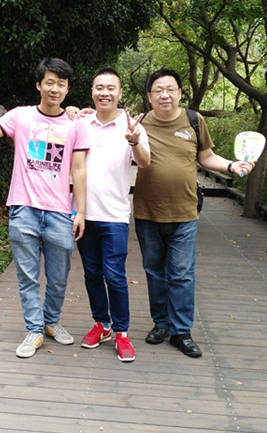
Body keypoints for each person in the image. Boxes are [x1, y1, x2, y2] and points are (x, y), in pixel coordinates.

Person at [0, 58, 89, 359]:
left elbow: (79, 171)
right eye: (50, 82)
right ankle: (34, 329)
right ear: (38, 85)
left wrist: (81, 212)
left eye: (61, 84)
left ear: (68, 89)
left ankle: (51, 321)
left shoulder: (76, 125)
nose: (55, 88)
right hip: (23, 209)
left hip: (60, 212)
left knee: (58, 277)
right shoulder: (20, 116)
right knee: (28, 277)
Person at [133, 67, 255, 358]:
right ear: (149, 96)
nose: (164, 95)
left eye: (170, 89)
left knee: (182, 275)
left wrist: (231, 166)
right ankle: (161, 324)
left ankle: (181, 331)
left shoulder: (194, 120)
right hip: (147, 212)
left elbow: (206, 157)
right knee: (154, 272)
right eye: (158, 90)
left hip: (185, 212)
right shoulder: (139, 123)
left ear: (179, 92)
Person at [71, 67, 150, 362]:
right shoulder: (81, 123)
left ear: (120, 92)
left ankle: (122, 332)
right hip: (83, 213)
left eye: (110, 88)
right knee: (92, 273)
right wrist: (70, 111)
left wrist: (134, 140)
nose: (104, 93)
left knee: (115, 276)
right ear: (92, 91)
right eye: (99, 87)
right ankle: (101, 324)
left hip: (115, 215)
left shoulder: (132, 125)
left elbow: (145, 162)